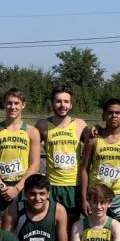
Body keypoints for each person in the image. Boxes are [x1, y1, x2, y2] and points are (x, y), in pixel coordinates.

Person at [35, 84, 89, 227]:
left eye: (66, 101)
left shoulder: (79, 124)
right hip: (51, 186)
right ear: (52, 103)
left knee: (71, 229)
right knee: (51, 227)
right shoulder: (42, 125)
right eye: (58, 101)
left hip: (73, 186)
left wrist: (98, 130)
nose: (62, 105)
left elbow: (95, 143)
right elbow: (28, 149)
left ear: (71, 105)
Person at [80, 98, 120, 224]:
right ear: (103, 116)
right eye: (110, 113)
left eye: (117, 113)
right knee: (95, 234)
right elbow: (84, 169)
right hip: (96, 195)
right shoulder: (93, 140)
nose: (114, 116)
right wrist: (84, 197)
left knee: (118, 240)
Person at [0, 88, 41, 210]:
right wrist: (0, 185)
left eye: (16, 103)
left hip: (22, 186)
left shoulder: (32, 131)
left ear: (23, 105)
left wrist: (17, 188)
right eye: (9, 103)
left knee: (19, 224)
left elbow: (35, 163)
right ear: (4, 104)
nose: (12, 107)